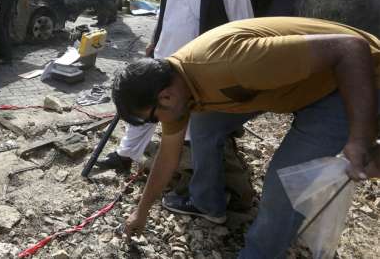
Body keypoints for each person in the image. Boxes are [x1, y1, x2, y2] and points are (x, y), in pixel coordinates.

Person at [114, 17, 380, 257]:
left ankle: (259, 253)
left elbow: (351, 48)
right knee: (204, 124)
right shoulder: (178, 84)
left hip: (349, 83)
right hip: (298, 83)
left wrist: (360, 137)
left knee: (283, 181)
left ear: (165, 97)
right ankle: (208, 203)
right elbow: (168, 156)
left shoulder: (229, 63)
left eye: (152, 118)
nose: (158, 124)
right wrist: (141, 211)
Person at [97, 0, 254, 208]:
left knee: (191, 127)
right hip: (164, 55)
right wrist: (154, 41)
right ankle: (126, 155)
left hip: (198, 68)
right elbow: (167, 9)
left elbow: (242, 24)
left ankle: (191, 182)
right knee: (144, 104)